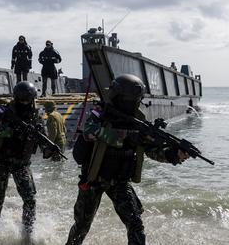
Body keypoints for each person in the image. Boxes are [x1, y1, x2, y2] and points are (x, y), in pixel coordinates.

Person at [65, 74, 191, 245]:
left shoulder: (138, 119)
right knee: (82, 226)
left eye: (136, 100)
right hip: (94, 178)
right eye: (131, 99)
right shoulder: (100, 112)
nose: (134, 103)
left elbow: (150, 150)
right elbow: (89, 131)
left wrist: (172, 155)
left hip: (120, 181)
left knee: (136, 224)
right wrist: (126, 137)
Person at [0, 81, 50, 234]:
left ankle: (28, 230)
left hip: (21, 162)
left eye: (29, 100)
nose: (26, 103)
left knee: (30, 198)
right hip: (2, 159)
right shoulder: (3, 111)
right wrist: (13, 131)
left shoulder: (37, 113)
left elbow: (43, 136)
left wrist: (47, 148)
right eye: (23, 100)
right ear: (16, 98)